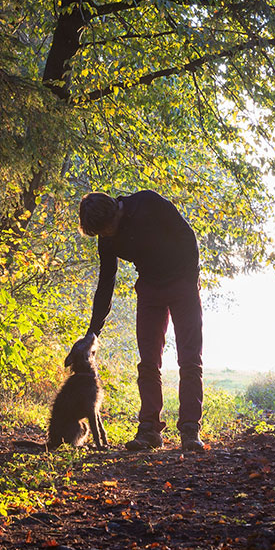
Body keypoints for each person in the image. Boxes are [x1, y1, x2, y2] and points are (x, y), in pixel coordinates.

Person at [77, 189, 204, 452]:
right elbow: (106, 282)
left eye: (107, 228)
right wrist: (93, 330)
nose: (106, 235)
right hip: (149, 289)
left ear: (115, 211)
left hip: (183, 284)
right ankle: (149, 431)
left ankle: (190, 430)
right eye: (100, 233)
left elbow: (187, 236)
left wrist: (191, 280)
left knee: (189, 359)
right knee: (148, 363)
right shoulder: (106, 237)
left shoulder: (149, 203)